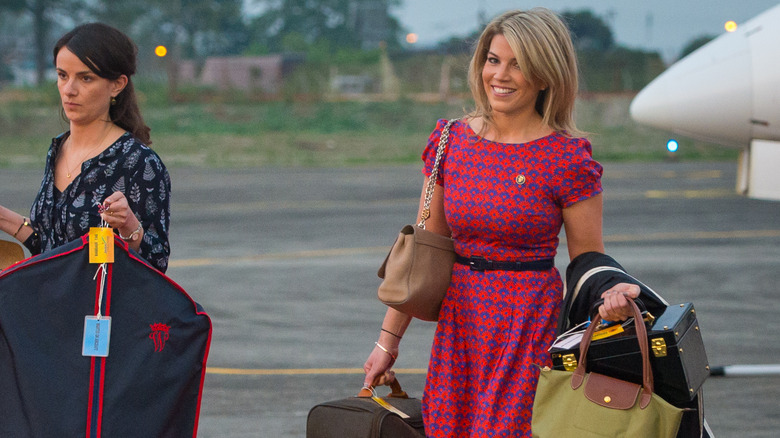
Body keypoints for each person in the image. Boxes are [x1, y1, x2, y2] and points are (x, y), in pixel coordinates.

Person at [363, 8, 642, 437]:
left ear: (545, 75)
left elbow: (587, 256)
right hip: (461, 324)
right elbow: (425, 250)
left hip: (528, 326)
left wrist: (612, 290)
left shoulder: (568, 158)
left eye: (519, 64)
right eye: (494, 60)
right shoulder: (451, 141)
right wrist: (387, 343)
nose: (501, 75)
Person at [0, 23, 171, 273]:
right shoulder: (58, 148)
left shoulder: (139, 162)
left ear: (117, 85)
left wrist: (130, 227)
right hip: (51, 308)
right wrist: (3, 217)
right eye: (62, 75)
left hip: (104, 310)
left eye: (86, 78)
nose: (69, 89)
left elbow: (157, 266)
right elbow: (52, 246)